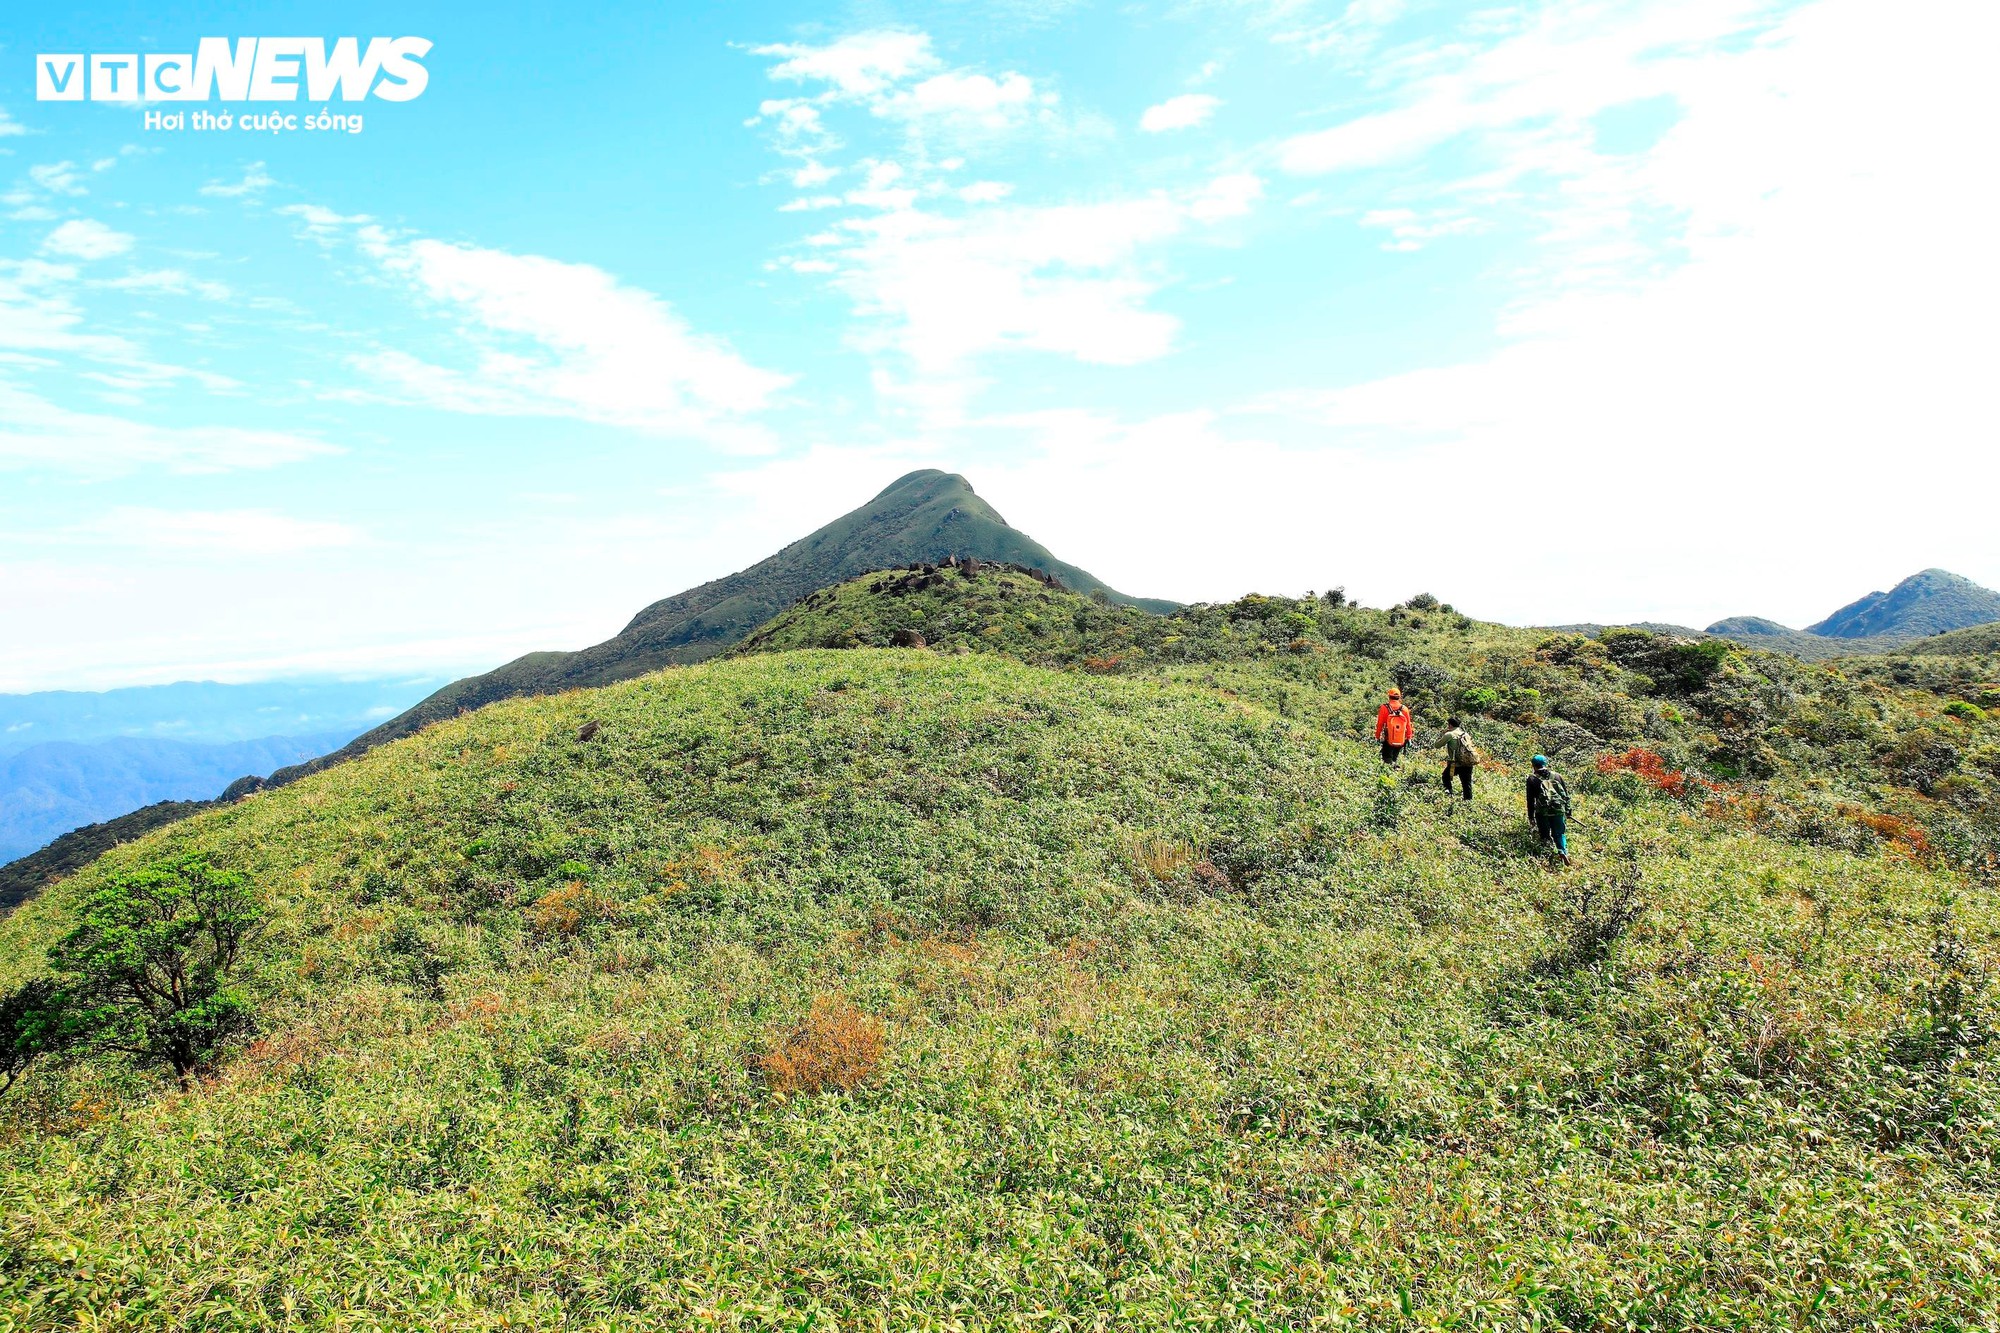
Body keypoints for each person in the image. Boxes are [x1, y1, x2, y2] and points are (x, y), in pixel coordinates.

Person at [1526, 754, 1572, 864]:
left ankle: (1548, 856)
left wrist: (1531, 817)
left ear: (1533, 766)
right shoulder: (1557, 776)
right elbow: (1565, 794)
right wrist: (1568, 810)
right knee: (1559, 833)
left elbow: (1530, 800)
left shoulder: (1532, 779)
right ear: (1545, 763)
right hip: (1558, 810)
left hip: (1542, 812)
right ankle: (1562, 851)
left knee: (1545, 835)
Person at [1374, 687, 1414, 766]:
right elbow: (1408, 725)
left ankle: (1391, 771)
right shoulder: (1404, 709)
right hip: (1401, 739)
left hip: (1389, 738)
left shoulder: (1384, 708)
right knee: (1394, 758)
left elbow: (1380, 724)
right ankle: (1394, 770)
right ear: (1399, 697)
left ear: (1389, 696)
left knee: (1386, 758)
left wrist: (1377, 736)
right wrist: (1409, 738)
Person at [1440, 716, 1477, 800]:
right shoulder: (1465, 734)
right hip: (1468, 762)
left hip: (1455, 763)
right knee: (1466, 783)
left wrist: (1444, 735)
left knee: (1445, 776)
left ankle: (1449, 794)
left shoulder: (1449, 734)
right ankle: (1468, 802)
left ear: (1450, 725)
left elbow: (1437, 745)